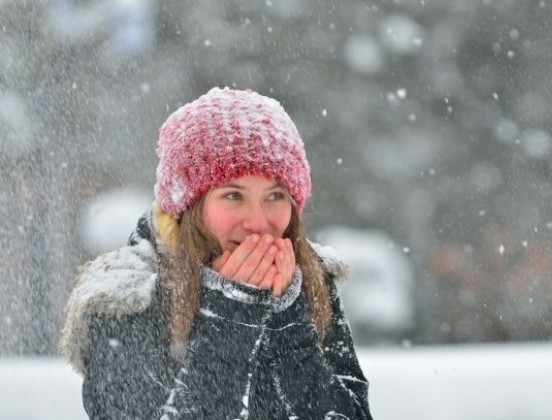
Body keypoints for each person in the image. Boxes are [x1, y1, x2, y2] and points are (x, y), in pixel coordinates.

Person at [60, 87, 373, 420]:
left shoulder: (309, 283)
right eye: (234, 195)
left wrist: (288, 323)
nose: (258, 222)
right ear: (189, 208)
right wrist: (231, 314)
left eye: (275, 195)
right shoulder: (127, 298)